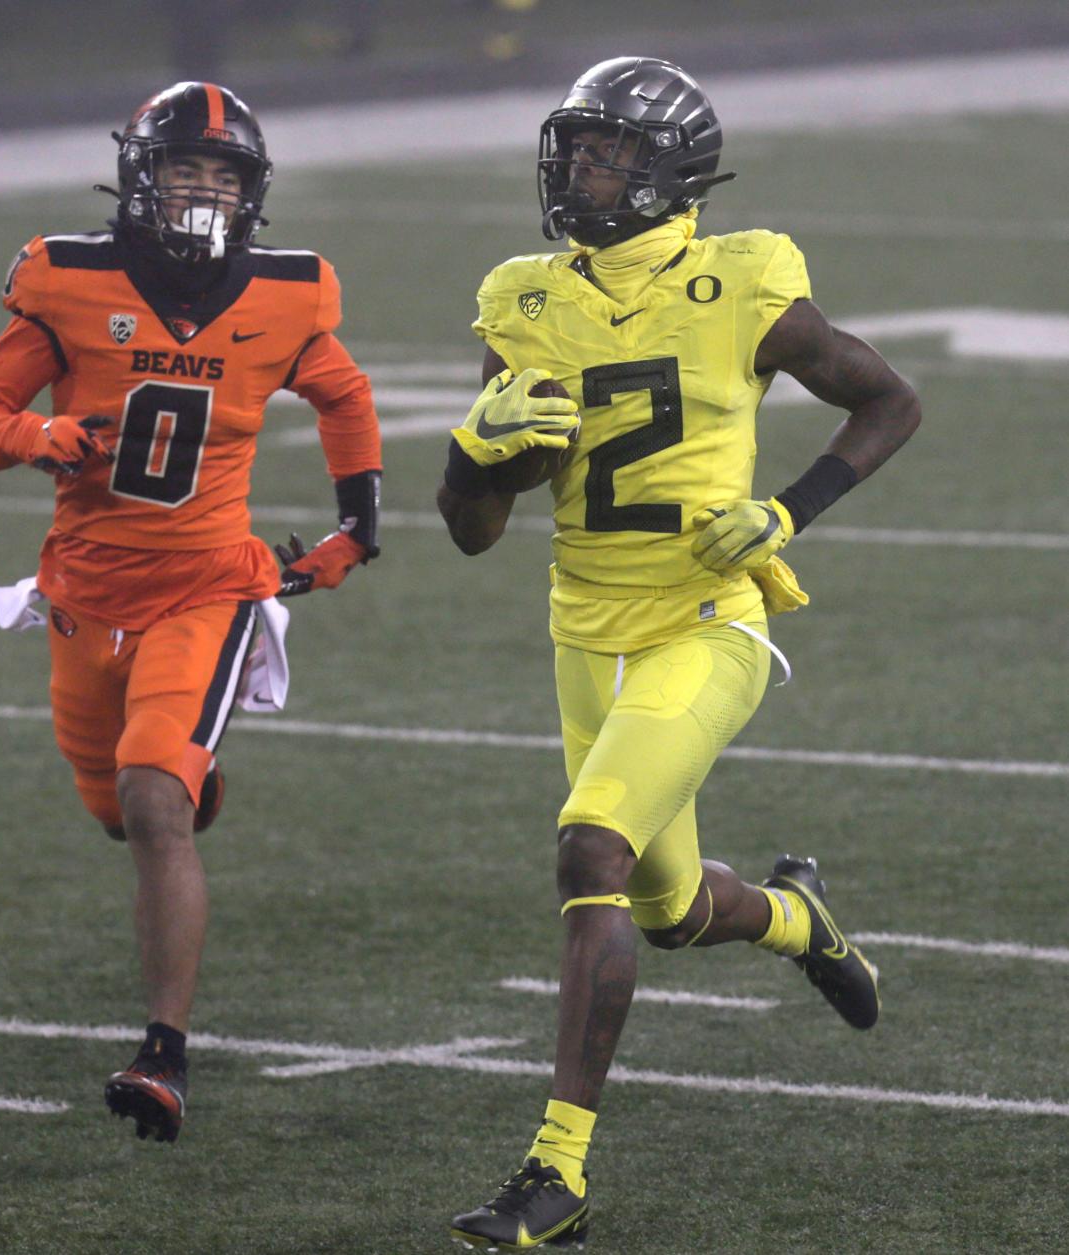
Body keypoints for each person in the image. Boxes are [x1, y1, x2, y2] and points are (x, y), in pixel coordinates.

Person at [439, 56, 919, 1250]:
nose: (581, 172)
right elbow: (472, 532)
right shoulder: (522, 297)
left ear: (671, 175)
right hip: (581, 631)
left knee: (587, 848)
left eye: (609, 154)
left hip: (708, 622)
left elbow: (889, 400)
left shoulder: (744, 276)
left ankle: (557, 1172)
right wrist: (471, 446)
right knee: (659, 907)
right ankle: (802, 920)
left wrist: (790, 511)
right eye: (578, 149)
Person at [0, 81, 382, 1145]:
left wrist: (354, 530)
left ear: (254, 193)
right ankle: (190, 778)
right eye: (186, 167)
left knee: (152, 802)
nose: (204, 188)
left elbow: (345, 397)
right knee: (116, 808)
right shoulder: (70, 279)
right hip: (84, 592)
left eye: (224, 174)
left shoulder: (285, 296)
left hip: (208, 586)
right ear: (140, 175)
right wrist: (38, 440)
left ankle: (163, 1053)